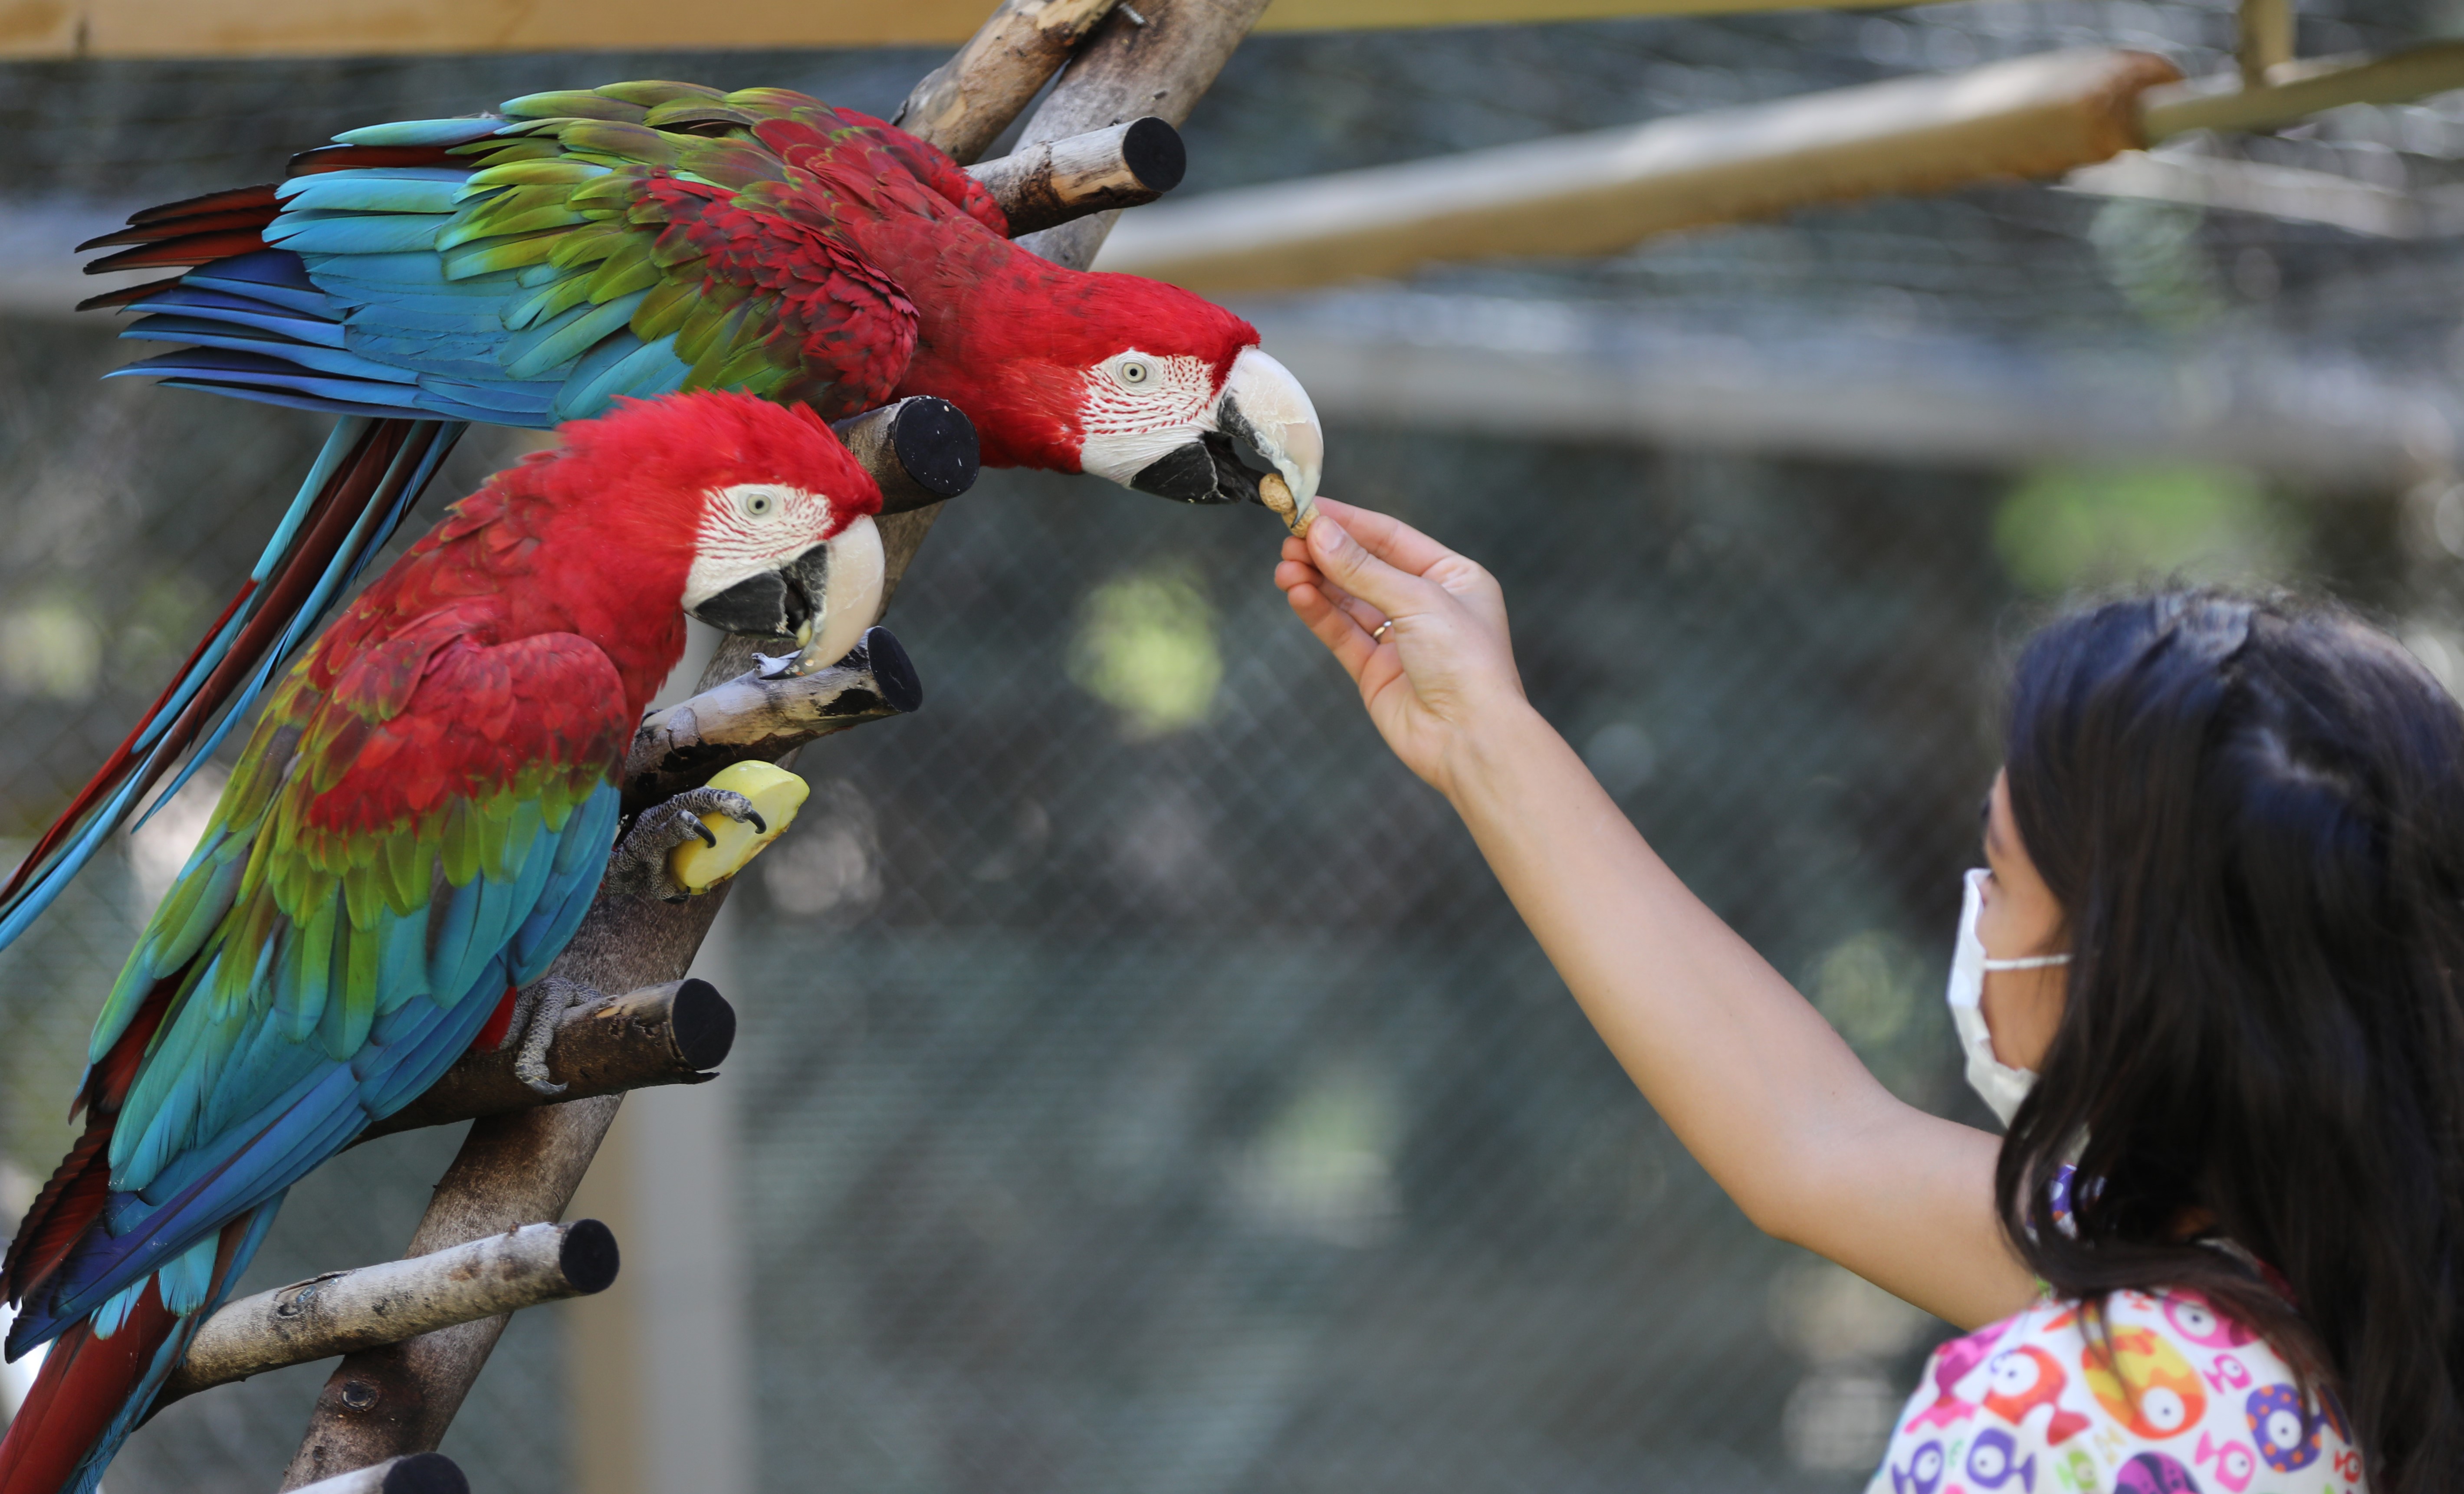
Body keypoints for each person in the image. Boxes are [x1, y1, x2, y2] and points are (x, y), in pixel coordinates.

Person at [1275, 499, 2464, 1493]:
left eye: (1999, 872)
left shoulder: (2074, 1412)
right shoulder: (2353, 1275)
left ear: (2135, 984)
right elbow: (1812, 1137)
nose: (1973, 908)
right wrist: (1484, 733)